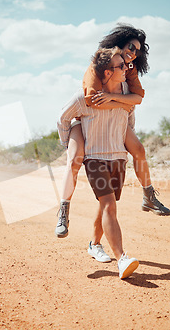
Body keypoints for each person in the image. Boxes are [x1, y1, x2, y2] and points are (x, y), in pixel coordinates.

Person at [55, 23, 170, 239]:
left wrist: (118, 103)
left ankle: (148, 196)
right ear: (119, 43)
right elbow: (92, 101)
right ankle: (63, 210)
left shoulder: (129, 70)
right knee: (74, 160)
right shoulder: (96, 68)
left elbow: (136, 99)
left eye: (138, 50)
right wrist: (67, 141)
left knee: (139, 149)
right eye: (131, 47)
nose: (133, 53)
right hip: (84, 120)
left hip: (116, 119)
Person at [57, 47, 139, 279]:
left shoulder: (126, 95)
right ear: (105, 73)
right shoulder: (84, 97)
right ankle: (122, 259)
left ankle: (94, 244)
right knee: (109, 205)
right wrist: (70, 146)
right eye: (120, 66)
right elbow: (62, 118)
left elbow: (130, 121)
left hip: (118, 158)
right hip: (94, 158)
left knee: (106, 204)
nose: (126, 68)